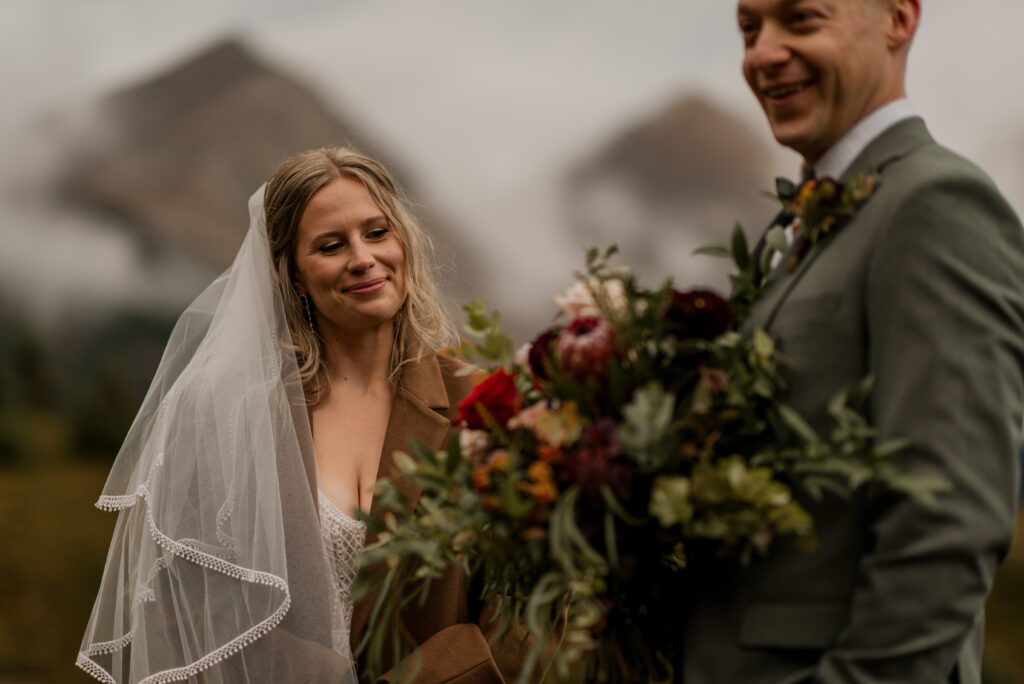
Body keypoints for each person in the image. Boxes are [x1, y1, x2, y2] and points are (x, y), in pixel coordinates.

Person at [680, 1, 1024, 683]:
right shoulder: (824, 220)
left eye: (801, 19)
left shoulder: (936, 203)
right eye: (750, 30)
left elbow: (949, 519)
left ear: (898, 18)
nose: (762, 53)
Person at [78, 148, 509, 683]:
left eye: (377, 233)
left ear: (404, 241)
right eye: (331, 245)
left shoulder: (488, 405)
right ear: (294, 275)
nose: (362, 258)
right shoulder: (226, 415)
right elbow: (189, 598)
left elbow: (529, 600)